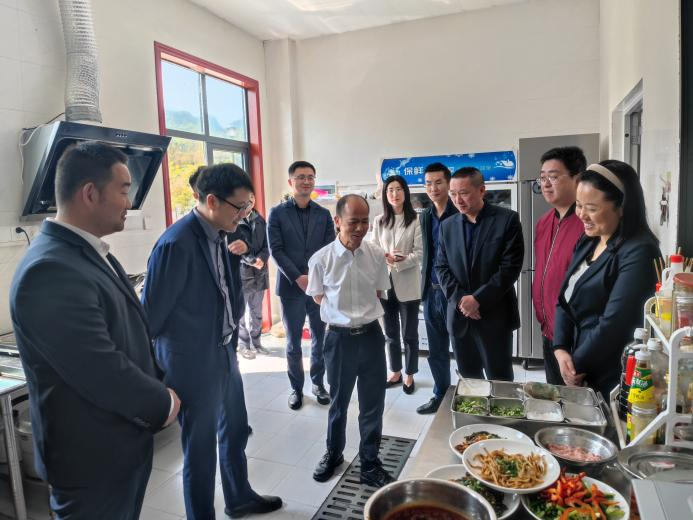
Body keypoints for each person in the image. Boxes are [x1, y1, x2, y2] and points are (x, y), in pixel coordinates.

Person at [10, 141, 180, 519]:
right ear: (90, 193)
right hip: (91, 459)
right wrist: (163, 402)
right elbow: (100, 369)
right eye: (123, 191)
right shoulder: (49, 270)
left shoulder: (90, 253)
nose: (129, 203)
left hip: (120, 445)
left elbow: (129, 335)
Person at [142, 163, 282, 519]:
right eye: (239, 206)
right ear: (211, 201)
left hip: (223, 352)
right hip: (191, 363)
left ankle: (239, 497)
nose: (244, 213)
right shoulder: (176, 244)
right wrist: (160, 378)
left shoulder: (221, 234)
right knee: (200, 450)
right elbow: (151, 320)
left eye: (248, 205)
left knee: (234, 430)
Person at [553, 160, 660, 400]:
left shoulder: (640, 251)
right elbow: (565, 298)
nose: (581, 215)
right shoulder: (589, 240)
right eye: (578, 205)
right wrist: (560, 349)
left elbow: (614, 323)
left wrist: (575, 365)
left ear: (621, 207)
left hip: (609, 374)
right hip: (577, 362)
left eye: (591, 208)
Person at [308, 195, 394, 488]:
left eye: (364, 221)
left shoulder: (376, 255)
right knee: (338, 403)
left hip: (371, 337)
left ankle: (369, 463)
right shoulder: (321, 259)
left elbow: (379, 292)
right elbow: (318, 297)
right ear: (337, 222)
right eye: (353, 222)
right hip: (339, 340)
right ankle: (333, 454)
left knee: (373, 404)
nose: (360, 228)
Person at [436, 167, 524, 381]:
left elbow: (510, 267)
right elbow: (441, 267)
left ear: (482, 190)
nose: (457, 200)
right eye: (453, 194)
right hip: (460, 317)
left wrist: (478, 299)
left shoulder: (507, 220)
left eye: (464, 193)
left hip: (494, 316)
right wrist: (461, 301)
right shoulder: (447, 226)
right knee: (469, 380)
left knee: (500, 379)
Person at [268, 160, 335, 410]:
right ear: (291, 182)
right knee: (293, 342)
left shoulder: (323, 214)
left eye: (310, 177)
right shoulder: (277, 213)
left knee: (319, 338)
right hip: (290, 288)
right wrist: (298, 277)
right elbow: (276, 250)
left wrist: (315, 278)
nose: (306, 181)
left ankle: (318, 384)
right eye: (301, 177)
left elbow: (330, 249)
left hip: (318, 288)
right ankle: (296, 389)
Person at [532, 147, 586, 385]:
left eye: (553, 177)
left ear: (577, 178)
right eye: (542, 178)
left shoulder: (588, 224)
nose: (545, 184)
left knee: (576, 399)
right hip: (548, 330)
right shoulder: (544, 222)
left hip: (576, 335)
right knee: (554, 395)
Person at [371, 175, 423, 393]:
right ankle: (395, 371)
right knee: (390, 333)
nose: (394, 193)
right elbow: (373, 248)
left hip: (408, 284)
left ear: (405, 192)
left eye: (399, 189)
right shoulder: (379, 221)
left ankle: (409, 374)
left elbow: (420, 253)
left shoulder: (416, 220)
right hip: (385, 285)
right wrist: (384, 256)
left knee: (409, 334)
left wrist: (400, 261)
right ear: (385, 194)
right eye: (390, 190)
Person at [416, 162, 458, 414]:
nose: (433, 188)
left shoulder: (459, 211)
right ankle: (440, 394)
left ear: (448, 183)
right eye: (428, 183)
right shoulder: (425, 215)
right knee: (436, 349)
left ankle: (466, 396)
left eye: (438, 182)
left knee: (462, 348)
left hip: (454, 293)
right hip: (431, 291)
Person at [237, 192, 271, 359]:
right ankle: (243, 344)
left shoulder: (260, 220)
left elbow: (267, 245)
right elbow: (234, 247)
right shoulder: (235, 220)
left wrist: (261, 259)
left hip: (260, 273)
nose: (250, 200)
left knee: (257, 311)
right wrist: (252, 260)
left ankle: (256, 342)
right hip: (243, 273)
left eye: (252, 197)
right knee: (240, 313)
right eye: (247, 197)